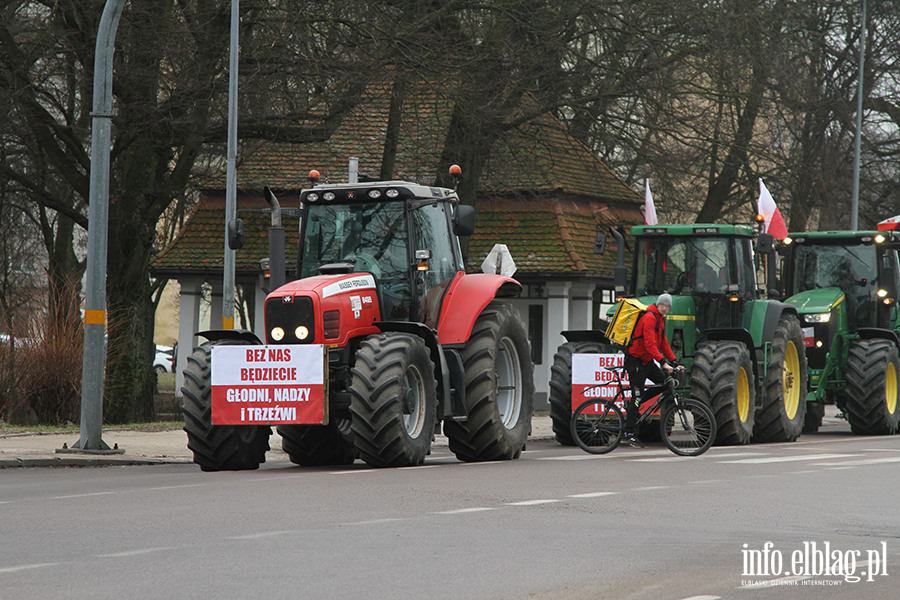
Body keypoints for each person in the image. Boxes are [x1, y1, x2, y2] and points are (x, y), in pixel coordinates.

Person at [623, 293, 679, 448]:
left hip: (647, 362)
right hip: (636, 362)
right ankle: (628, 433)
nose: (665, 308)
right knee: (638, 396)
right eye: (663, 305)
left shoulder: (660, 319)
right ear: (658, 304)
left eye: (668, 306)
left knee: (665, 383)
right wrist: (663, 363)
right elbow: (649, 344)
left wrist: (673, 361)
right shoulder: (649, 317)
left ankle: (634, 403)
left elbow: (663, 342)